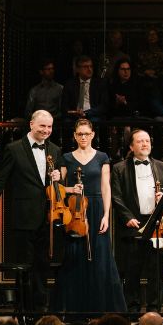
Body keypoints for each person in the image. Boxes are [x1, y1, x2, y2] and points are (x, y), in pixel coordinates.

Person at [0, 110, 61, 311]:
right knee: (25, 266)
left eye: (49, 126)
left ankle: (39, 311)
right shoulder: (14, 149)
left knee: (42, 266)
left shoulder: (54, 150)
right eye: (42, 126)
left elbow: (56, 185)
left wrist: (58, 178)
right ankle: (24, 310)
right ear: (31, 124)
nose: (46, 130)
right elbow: (0, 181)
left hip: (47, 217)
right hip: (23, 217)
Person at [52, 118, 126, 313]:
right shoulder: (67, 158)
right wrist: (71, 189)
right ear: (75, 136)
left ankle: (100, 308)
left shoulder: (102, 157)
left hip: (97, 208)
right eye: (80, 134)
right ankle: (76, 309)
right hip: (75, 211)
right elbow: (58, 189)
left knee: (100, 259)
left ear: (92, 135)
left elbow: (106, 188)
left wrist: (106, 215)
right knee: (75, 258)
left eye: (86, 133)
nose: (83, 137)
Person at [111, 128, 163, 313]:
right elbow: (116, 196)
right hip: (133, 224)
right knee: (132, 271)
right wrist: (127, 217)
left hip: (156, 224)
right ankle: (132, 310)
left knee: (156, 271)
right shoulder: (119, 168)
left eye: (147, 141)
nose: (144, 144)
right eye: (140, 141)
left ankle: (154, 310)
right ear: (131, 146)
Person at [62, 55, 108, 122]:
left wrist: (86, 113)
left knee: (96, 120)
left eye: (91, 66)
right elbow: (64, 106)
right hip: (74, 116)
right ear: (77, 69)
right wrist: (74, 112)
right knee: (67, 121)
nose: (89, 69)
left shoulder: (100, 83)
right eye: (85, 67)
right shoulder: (70, 84)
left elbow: (103, 106)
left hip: (92, 115)